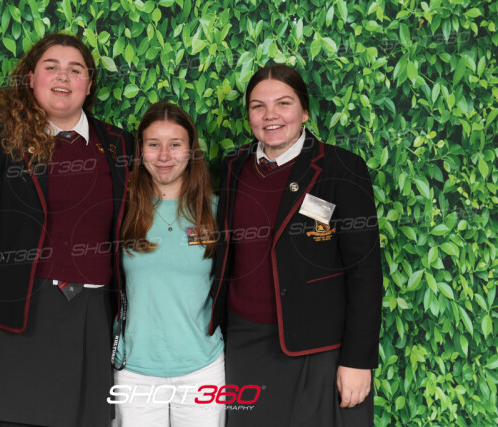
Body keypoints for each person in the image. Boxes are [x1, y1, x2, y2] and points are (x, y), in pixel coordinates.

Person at [0, 33, 134, 426]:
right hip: (10, 323)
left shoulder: (119, 145)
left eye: (75, 70)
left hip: (91, 323)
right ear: (30, 78)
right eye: (51, 67)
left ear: (89, 85)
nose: (63, 77)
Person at [209, 64, 383, 426]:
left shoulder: (341, 168)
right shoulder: (233, 167)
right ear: (248, 115)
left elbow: (365, 272)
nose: (270, 115)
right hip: (245, 342)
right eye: (258, 106)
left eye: (283, 103)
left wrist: (357, 360)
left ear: (304, 112)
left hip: (319, 348)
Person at [111, 102, 225, 427]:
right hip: (135, 370)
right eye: (153, 144)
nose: (164, 156)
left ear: (191, 151)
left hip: (203, 367)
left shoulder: (216, 212)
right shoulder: (122, 211)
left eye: (175, 144)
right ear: (141, 150)